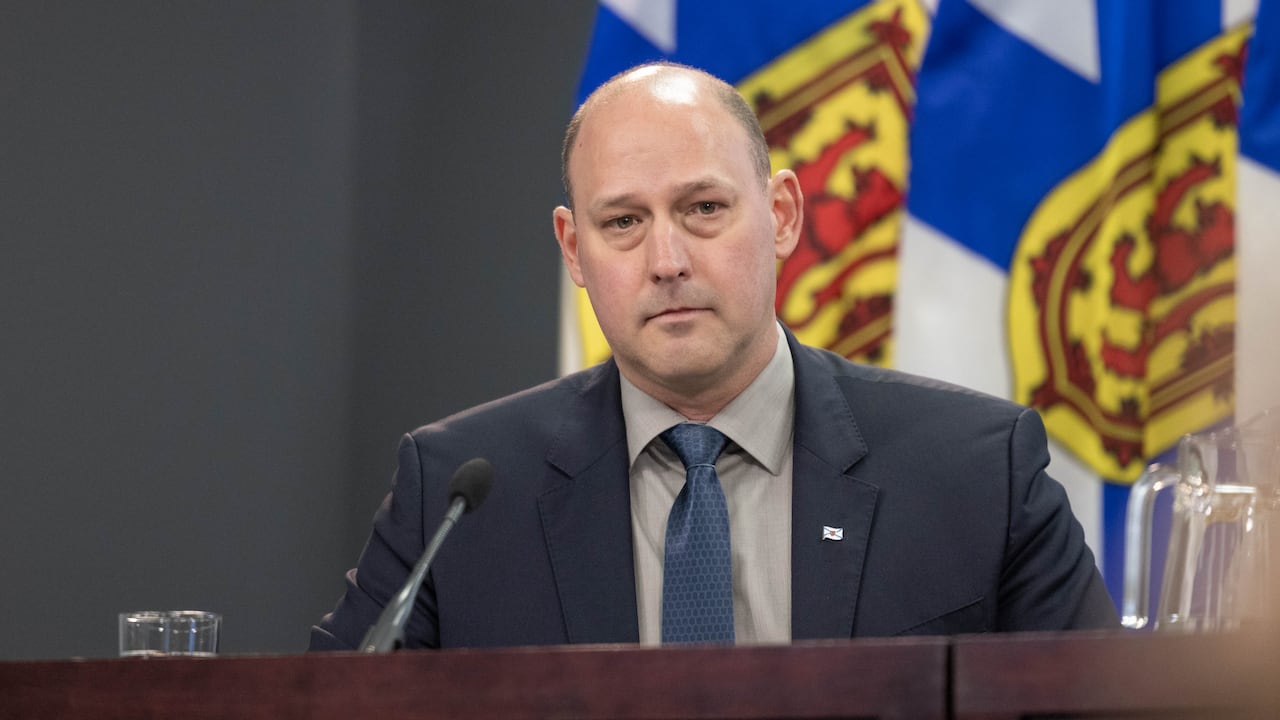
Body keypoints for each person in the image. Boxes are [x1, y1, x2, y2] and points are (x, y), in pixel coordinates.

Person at [310, 62, 1118, 651]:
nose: (667, 260)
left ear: (783, 216)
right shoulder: (461, 493)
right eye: (623, 222)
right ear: (573, 250)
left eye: (703, 209)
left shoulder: (976, 471)